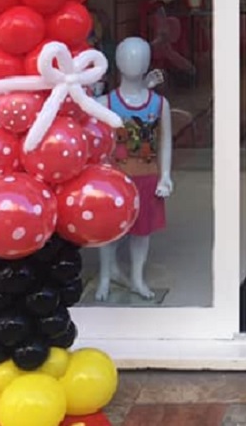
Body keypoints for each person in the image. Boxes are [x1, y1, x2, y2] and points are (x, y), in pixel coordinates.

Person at [95, 37, 173, 301]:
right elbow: (98, 144)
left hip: (147, 176)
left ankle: (137, 278)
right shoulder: (105, 103)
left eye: (140, 56)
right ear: (118, 61)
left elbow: (166, 141)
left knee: (142, 231)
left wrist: (165, 175)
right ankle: (106, 275)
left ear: (148, 61)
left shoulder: (159, 104)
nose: (134, 61)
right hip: (114, 179)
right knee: (109, 230)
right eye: (128, 56)